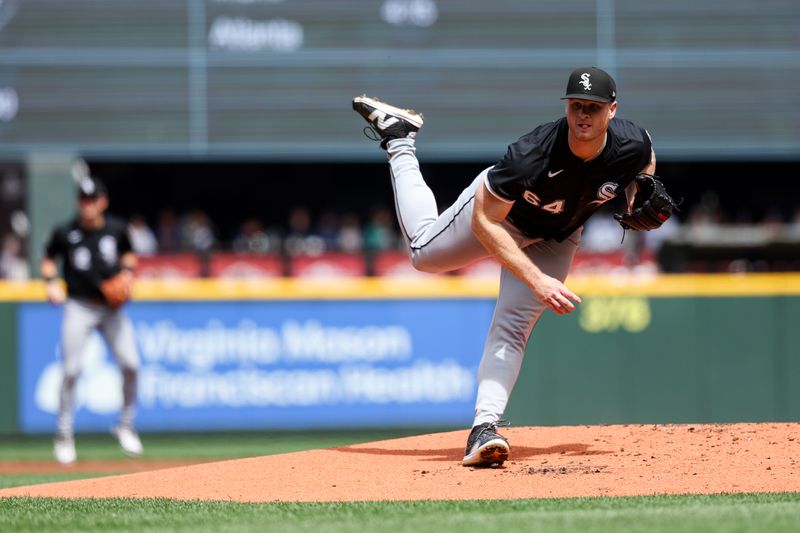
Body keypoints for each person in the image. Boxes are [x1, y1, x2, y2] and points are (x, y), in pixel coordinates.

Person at [353, 67, 662, 467]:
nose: (584, 114)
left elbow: (646, 158)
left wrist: (639, 196)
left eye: (594, 107)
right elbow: (485, 220)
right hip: (499, 216)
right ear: (567, 107)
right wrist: (535, 278)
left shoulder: (632, 142)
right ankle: (399, 140)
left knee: (513, 326)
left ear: (612, 110)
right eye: (576, 106)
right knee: (423, 253)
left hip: (558, 234)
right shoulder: (531, 154)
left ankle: (484, 427)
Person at [40, 176, 143, 464]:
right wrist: (50, 281)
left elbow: (130, 255)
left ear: (103, 201)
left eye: (93, 199)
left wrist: (126, 273)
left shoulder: (117, 229)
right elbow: (48, 258)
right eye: (84, 199)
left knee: (131, 365)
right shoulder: (66, 232)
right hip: (79, 305)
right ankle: (63, 435)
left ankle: (125, 425)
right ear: (78, 202)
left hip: (111, 309)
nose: (89, 205)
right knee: (71, 370)